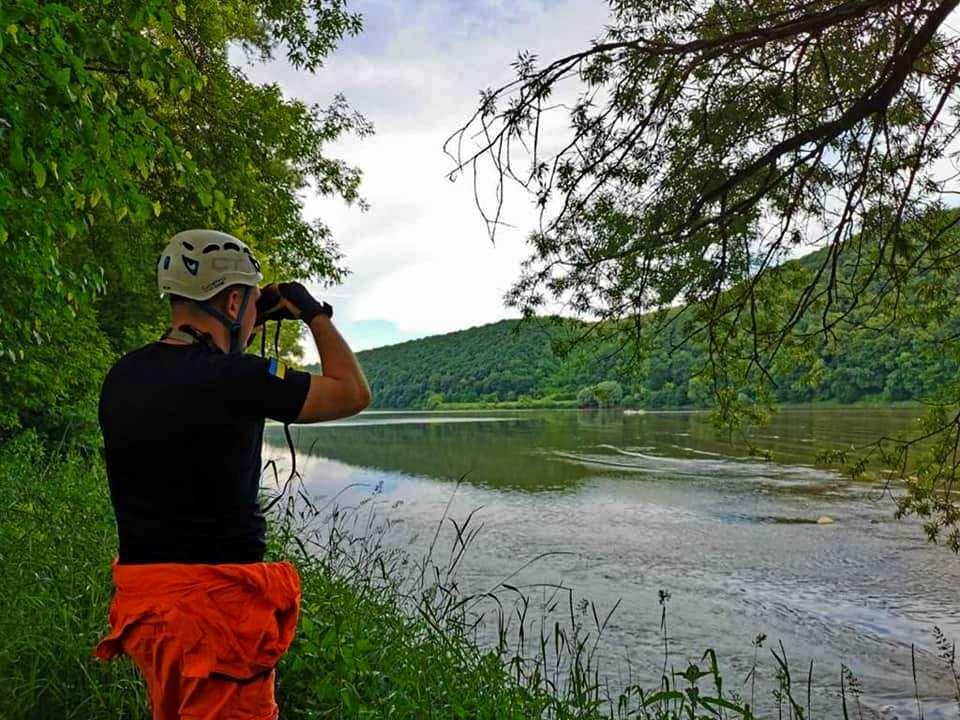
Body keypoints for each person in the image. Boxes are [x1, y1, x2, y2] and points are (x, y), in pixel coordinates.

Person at [93, 228, 371, 719]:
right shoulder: (239, 380)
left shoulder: (123, 376)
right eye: (246, 300)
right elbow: (352, 392)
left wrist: (241, 317)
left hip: (147, 608)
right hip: (216, 616)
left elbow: (192, 381)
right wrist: (314, 313)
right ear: (234, 299)